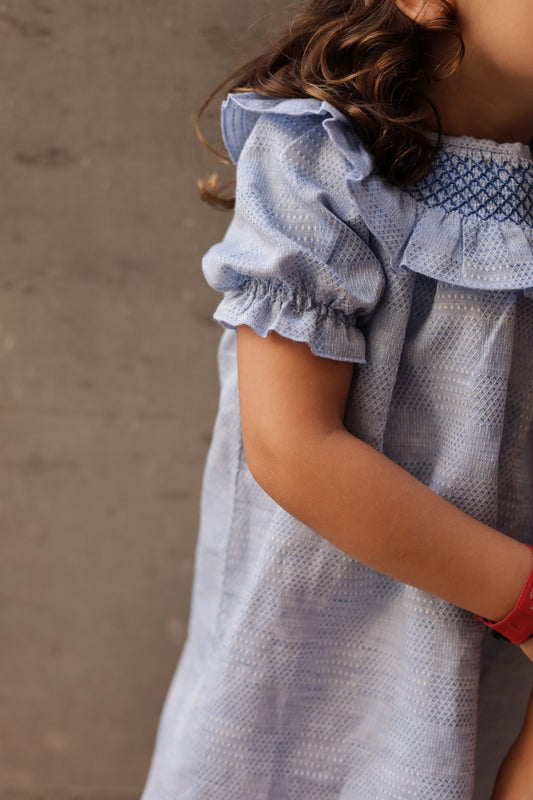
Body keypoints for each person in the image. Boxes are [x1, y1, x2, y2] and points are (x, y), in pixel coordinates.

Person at [141, 1, 533, 797]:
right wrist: (525, 598)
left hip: (497, 655)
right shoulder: (322, 161)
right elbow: (293, 447)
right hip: (323, 631)